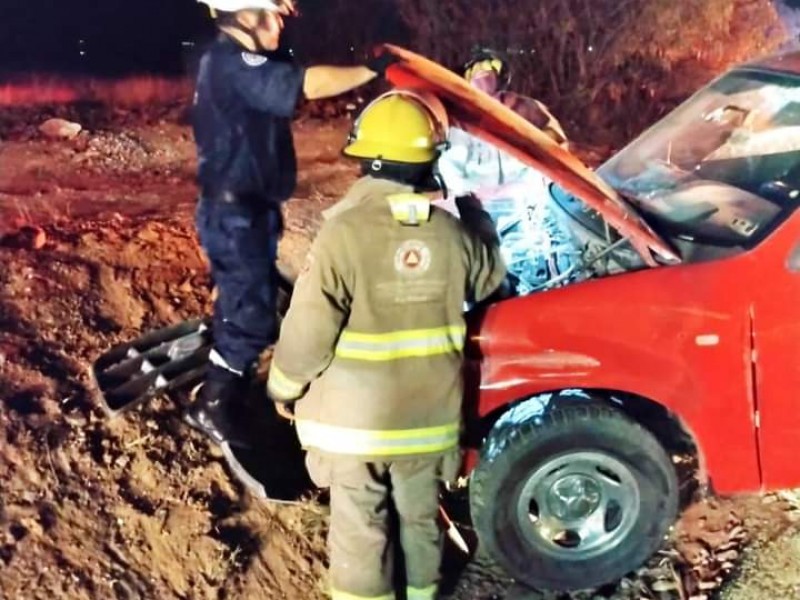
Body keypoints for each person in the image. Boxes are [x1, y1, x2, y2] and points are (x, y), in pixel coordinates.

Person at [265, 89, 507, 600]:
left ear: (364, 163)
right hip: (428, 424)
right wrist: (475, 213)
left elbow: (309, 332)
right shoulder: (449, 233)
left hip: (356, 430)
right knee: (420, 520)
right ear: (427, 166)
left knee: (361, 528)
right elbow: (489, 279)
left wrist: (282, 387)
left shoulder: (343, 233)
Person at [185, 0, 396, 447]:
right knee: (253, 316)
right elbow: (307, 84)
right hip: (236, 213)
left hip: (246, 209)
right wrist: (370, 69)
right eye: (277, 15)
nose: (284, 23)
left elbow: (284, 65)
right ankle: (213, 405)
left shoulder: (237, 59)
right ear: (248, 15)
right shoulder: (232, 62)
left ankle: (228, 379)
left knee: (249, 297)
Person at [437, 47, 578, 294]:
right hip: (483, 210)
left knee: (547, 263)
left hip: (530, 204)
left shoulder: (524, 107)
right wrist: (473, 196)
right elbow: (449, 167)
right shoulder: (457, 119)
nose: (485, 76)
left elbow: (556, 145)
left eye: (491, 69)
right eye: (477, 70)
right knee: (494, 276)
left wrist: (536, 166)